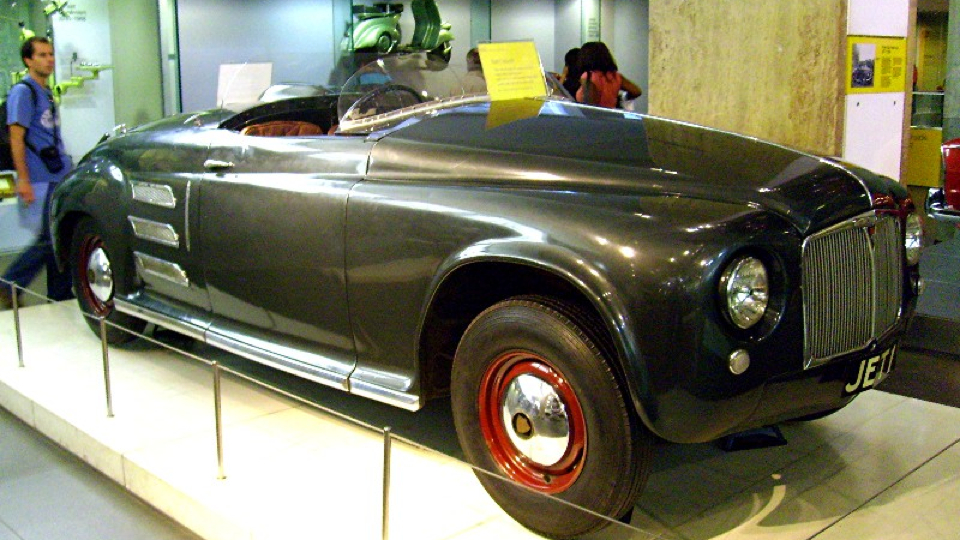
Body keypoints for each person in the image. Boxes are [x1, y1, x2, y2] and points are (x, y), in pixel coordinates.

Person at [0, 37, 74, 309]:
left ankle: (60, 294)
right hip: (40, 177)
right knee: (49, 239)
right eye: (42, 55)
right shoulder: (23, 92)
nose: (49, 59)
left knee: (56, 237)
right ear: (28, 60)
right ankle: (9, 282)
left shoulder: (45, 92)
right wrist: (24, 179)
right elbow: (16, 138)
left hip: (56, 174)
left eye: (51, 54)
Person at [575, 41, 642, 109]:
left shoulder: (588, 76)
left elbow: (590, 105)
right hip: (611, 113)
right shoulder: (616, 76)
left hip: (595, 115)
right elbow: (636, 91)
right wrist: (621, 99)